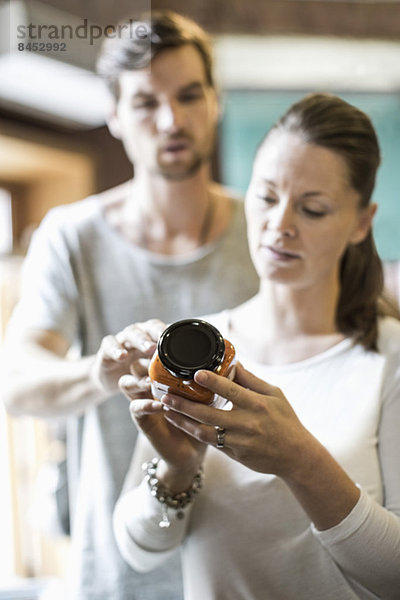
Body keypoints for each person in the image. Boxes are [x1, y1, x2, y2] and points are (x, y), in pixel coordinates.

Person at [1, 10, 258, 600]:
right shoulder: (72, 237)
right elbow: (15, 384)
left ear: (215, 102)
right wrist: (101, 368)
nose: (172, 119)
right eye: (146, 103)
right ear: (115, 116)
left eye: (189, 95)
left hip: (248, 566)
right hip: (121, 573)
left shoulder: (268, 232)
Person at [113, 93, 400, 600]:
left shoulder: (389, 358)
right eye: (266, 197)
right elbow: (139, 551)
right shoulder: (198, 348)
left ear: (361, 221)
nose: (280, 223)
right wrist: (178, 470)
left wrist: (302, 462)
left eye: (312, 209)